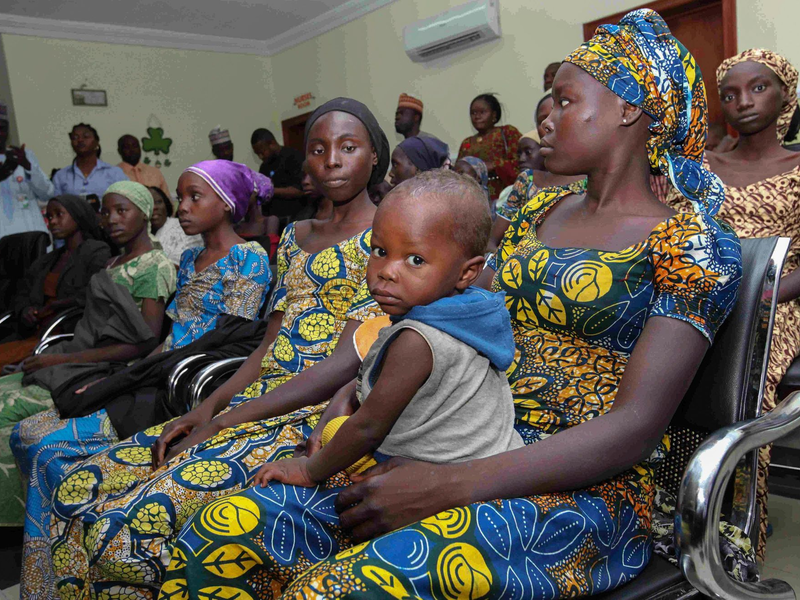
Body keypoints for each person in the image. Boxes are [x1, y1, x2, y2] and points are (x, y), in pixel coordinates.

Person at [158, 11, 744, 598]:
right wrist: (361, 391)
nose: (547, 117)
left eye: (566, 101)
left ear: (628, 110)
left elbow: (635, 428)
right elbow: (447, 318)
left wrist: (448, 485)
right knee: (228, 531)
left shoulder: (693, 243)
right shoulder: (538, 214)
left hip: (582, 484)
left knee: (341, 586)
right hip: (459, 426)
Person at [49, 97, 390, 598]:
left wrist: (225, 421)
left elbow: (347, 363)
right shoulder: (294, 236)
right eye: (318, 149)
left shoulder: (389, 235)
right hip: (252, 397)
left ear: (374, 155)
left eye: (348, 147)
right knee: (75, 488)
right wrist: (206, 407)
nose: (332, 160)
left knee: (122, 530)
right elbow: (269, 342)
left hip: (311, 413)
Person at [11, 163, 273, 599]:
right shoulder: (188, 258)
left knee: (47, 447)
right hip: (159, 369)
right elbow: (168, 339)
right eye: (181, 197)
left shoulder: (249, 257)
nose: (182, 208)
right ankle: (56, 577)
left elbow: (232, 340)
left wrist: (142, 375)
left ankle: (70, 576)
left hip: (185, 385)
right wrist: (120, 377)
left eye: (195, 197)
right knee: (28, 432)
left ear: (227, 204)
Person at [255, 170, 523, 493]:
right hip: (491, 457)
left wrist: (308, 471)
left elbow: (368, 428)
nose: (386, 272)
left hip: (448, 479)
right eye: (380, 251)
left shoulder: (417, 340)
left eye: (415, 260)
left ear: (467, 272)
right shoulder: (471, 311)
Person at [665, 48, 800, 559]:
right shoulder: (700, 168)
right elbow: (674, 236)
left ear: (785, 94)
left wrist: (758, 296)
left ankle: (735, 534)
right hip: (698, 295)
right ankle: (668, 516)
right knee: (658, 374)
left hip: (774, 303)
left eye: (758, 88)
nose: (743, 101)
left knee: (743, 388)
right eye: (729, 94)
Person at [0, 181, 175, 544]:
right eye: (106, 212)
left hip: (109, 368)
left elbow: (144, 341)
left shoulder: (153, 265)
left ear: (144, 213)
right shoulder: (112, 263)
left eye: (122, 210)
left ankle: (16, 520)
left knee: (7, 411)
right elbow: (93, 327)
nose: (111, 219)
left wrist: (65, 358)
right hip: (84, 354)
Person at [0, 196, 110, 368]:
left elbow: (94, 292)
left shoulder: (96, 251)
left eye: (59, 215)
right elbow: (21, 293)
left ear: (77, 216)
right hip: (33, 332)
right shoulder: (47, 260)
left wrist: (56, 306)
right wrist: (25, 310)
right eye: (49, 217)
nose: (52, 222)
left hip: (64, 334)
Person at [0, 101, 54, 240]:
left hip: (31, 234)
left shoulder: (24, 156)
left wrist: (27, 166)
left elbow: (47, 193)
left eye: (3, 127)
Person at [457, 93, 521, 200]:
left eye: (482, 112)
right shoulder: (466, 143)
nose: (477, 117)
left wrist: (493, 165)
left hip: (505, 195)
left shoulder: (508, 133)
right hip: (474, 198)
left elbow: (521, 163)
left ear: (494, 115)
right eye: (473, 113)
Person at [52, 124, 128, 198]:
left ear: (96, 142)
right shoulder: (61, 176)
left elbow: (127, 199)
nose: (80, 140)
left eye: (86, 136)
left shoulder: (114, 173)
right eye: (75, 137)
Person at [251, 128, 304, 222]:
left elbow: (299, 191)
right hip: (273, 223)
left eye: (262, 152)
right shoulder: (264, 167)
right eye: (257, 154)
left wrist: (271, 190)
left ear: (272, 143)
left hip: (295, 219)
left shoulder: (293, 156)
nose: (260, 157)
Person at [150, 186, 203, 266]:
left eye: (158, 202)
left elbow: (179, 267)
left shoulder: (184, 229)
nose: (154, 207)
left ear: (166, 205)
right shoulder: (137, 235)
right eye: (149, 203)